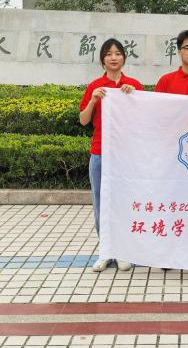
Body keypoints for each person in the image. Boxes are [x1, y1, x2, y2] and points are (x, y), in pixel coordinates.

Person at [79, 38, 143, 272]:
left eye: (117, 53)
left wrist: (134, 97)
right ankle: (106, 251)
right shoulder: (95, 86)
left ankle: (123, 250)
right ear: (102, 60)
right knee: (101, 202)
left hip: (126, 155)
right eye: (108, 54)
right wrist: (93, 100)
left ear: (124, 57)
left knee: (124, 201)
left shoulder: (133, 85)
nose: (113, 57)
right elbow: (83, 120)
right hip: (100, 153)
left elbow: (144, 118)